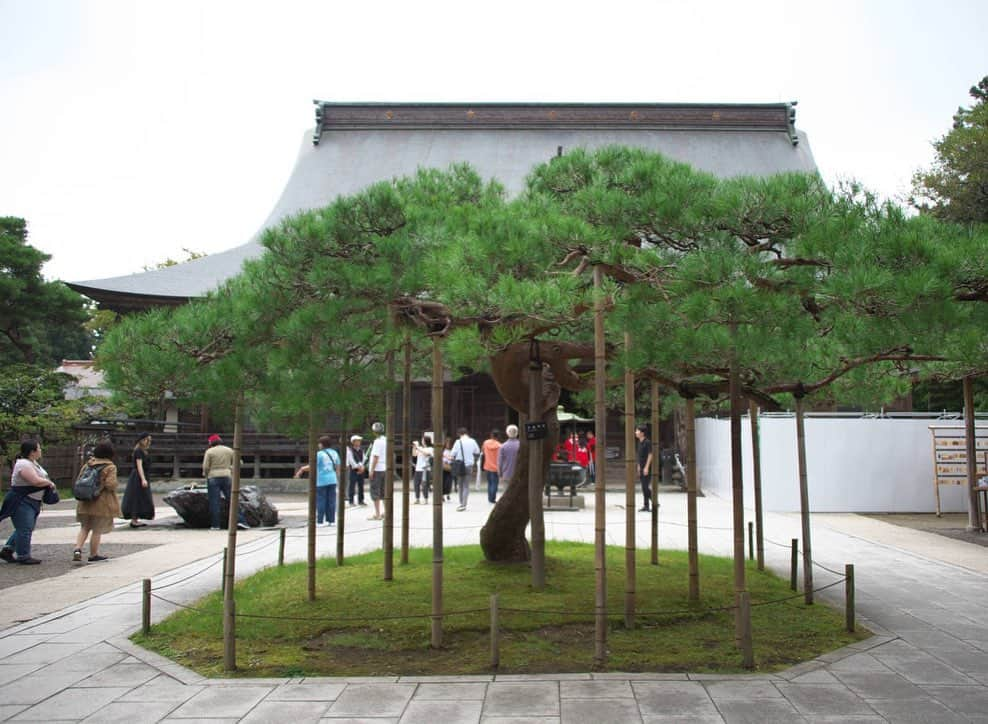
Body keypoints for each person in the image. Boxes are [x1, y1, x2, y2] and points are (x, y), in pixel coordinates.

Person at [0, 440, 57, 564]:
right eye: (39, 448)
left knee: (26, 527)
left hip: (33, 500)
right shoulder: (24, 464)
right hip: (22, 500)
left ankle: (8, 549)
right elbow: (35, 481)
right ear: (32, 452)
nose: (41, 450)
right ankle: (23, 555)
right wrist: (49, 483)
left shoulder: (33, 463)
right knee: (24, 528)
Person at [72, 439, 121, 562]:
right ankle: (93, 554)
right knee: (97, 529)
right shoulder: (110, 467)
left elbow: (79, 479)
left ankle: (77, 549)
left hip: (85, 501)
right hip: (101, 502)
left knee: (84, 527)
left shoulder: (88, 464)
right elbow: (111, 484)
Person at [202, 434, 247, 531]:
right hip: (227, 476)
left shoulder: (209, 452)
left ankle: (216, 525)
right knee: (232, 500)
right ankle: (241, 521)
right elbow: (239, 462)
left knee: (215, 502)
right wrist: (230, 468)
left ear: (211, 443)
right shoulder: (229, 450)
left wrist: (206, 474)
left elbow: (206, 467)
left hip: (213, 476)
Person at [294, 435, 341, 525]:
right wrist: (337, 477)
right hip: (333, 479)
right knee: (331, 501)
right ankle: (331, 520)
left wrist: (302, 469)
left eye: (319, 444)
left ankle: (320, 521)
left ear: (322, 444)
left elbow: (312, 466)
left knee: (321, 500)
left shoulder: (319, 454)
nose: (318, 445)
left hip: (322, 480)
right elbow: (338, 467)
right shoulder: (335, 453)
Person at [121, 432, 155, 527]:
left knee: (142, 497)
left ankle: (136, 518)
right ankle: (134, 519)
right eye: (147, 440)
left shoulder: (143, 451)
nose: (148, 442)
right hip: (138, 476)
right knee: (136, 497)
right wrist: (143, 479)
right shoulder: (138, 451)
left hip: (143, 475)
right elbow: (139, 466)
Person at [451, 427, 480, 511]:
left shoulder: (458, 442)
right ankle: (464, 504)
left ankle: (461, 503)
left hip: (460, 465)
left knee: (460, 485)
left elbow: (453, 453)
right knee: (466, 485)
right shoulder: (473, 441)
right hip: (469, 465)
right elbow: (477, 451)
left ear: (459, 434)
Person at [367, 422, 387, 520]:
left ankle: (377, 513)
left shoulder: (377, 442)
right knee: (384, 491)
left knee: (375, 491)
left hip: (377, 468)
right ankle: (386, 512)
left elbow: (375, 457)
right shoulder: (386, 440)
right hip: (385, 468)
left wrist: (371, 470)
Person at [635, 424, 654, 512]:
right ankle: (646, 505)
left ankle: (654, 502)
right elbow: (639, 456)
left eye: (637, 431)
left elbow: (650, 455)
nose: (636, 432)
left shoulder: (647, 442)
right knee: (643, 487)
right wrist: (639, 466)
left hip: (647, 467)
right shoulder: (639, 442)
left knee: (645, 487)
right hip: (641, 466)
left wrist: (646, 467)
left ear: (642, 433)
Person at [497, 424, 520, 493]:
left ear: (507, 433)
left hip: (506, 473)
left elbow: (500, 462)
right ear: (517, 433)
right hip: (518, 474)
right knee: (516, 493)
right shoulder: (521, 445)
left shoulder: (503, 446)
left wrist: (500, 474)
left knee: (506, 493)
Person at [411, 432, 433, 504]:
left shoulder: (430, 448)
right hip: (418, 469)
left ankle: (425, 499)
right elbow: (414, 454)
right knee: (416, 483)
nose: (422, 441)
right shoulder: (421, 448)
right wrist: (414, 447)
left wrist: (418, 448)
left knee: (424, 485)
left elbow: (426, 454)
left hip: (425, 469)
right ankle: (417, 498)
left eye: (423, 440)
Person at [345, 435, 367, 506]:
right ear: (353, 442)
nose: (359, 442)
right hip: (353, 470)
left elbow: (364, 459)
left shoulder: (361, 450)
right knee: (352, 485)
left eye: (359, 441)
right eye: (357, 440)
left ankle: (361, 500)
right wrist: (358, 467)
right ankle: (351, 501)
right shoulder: (349, 450)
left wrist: (363, 466)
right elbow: (351, 460)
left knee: (361, 485)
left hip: (361, 469)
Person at [482, 429, 502, 503]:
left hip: (487, 465)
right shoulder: (499, 445)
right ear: (498, 436)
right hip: (496, 467)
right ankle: (492, 498)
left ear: (491, 435)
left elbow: (483, 451)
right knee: (495, 483)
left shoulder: (486, 443)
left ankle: (489, 497)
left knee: (490, 483)